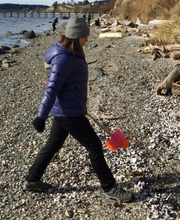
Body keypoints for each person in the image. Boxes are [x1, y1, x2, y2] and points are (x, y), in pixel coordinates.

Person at [24, 17, 133, 203]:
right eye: (84, 36)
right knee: (94, 146)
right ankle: (110, 187)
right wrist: (40, 117)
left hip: (68, 110)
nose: (87, 40)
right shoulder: (64, 59)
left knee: (52, 146)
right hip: (69, 113)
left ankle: (32, 180)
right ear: (76, 36)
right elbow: (52, 88)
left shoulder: (71, 52)